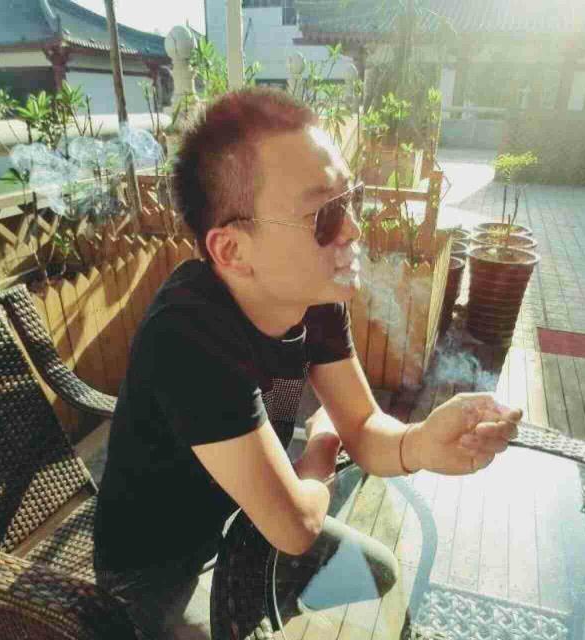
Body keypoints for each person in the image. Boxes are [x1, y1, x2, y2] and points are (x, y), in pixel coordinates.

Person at [93, 88, 522, 639]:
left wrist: (421, 442)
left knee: (376, 572)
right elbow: (296, 527)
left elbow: (362, 425)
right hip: (155, 571)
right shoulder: (188, 337)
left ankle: (269, 614)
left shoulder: (314, 300)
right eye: (325, 215)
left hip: (243, 520)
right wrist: (318, 450)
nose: (354, 229)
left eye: (352, 199)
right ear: (231, 251)